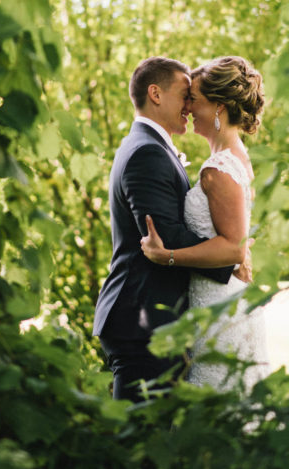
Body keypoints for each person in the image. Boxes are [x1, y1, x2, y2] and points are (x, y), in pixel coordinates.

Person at [93, 56, 247, 402]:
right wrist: (232, 253)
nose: (189, 105)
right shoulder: (147, 151)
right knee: (140, 444)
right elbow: (166, 236)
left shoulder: (151, 146)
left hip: (152, 316)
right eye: (184, 94)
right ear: (156, 94)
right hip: (143, 319)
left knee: (153, 441)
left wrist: (234, 246)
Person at [141, 55, 270, 392]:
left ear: (218, 106)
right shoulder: (237, 156)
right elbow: (238, 238)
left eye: (193, 99)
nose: (186, 108)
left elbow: (231, 247)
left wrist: (166, 255)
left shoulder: (217, 169)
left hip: (216, 303)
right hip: (223, 296)